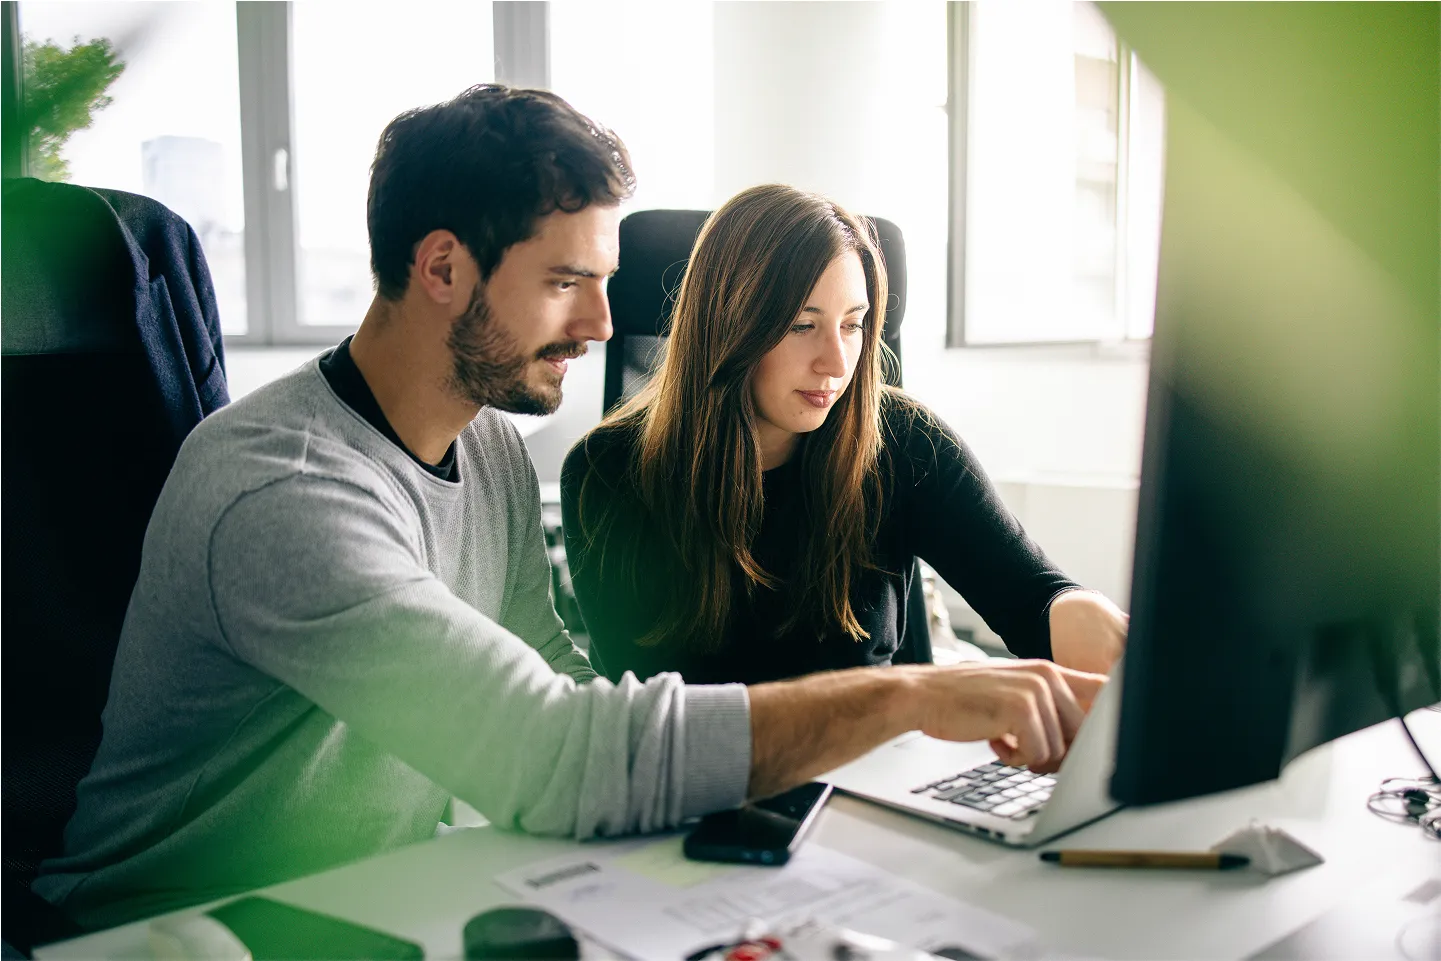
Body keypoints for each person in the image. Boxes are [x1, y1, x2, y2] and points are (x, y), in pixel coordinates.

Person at [34, 87, 1106, 931]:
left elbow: (559, 684)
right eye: (565, 282)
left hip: (369, 899)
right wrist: (902, 697)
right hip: (170, 929)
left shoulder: (487, 443)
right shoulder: (283, 489)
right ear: (444, 267)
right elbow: (543, 749)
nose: (604, 322)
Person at [561, 184, 1128, 686]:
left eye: (853, 325)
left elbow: (1029, 596)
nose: (836, 361)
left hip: (880, 778)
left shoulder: (903, 438)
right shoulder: (608, 472)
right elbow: (643, 721)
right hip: (706, 791)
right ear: (727, 325)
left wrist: (1091, 619)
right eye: (801, 326)